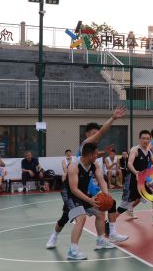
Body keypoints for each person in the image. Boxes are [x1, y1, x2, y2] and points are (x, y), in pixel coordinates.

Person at [46, 106, 128, 250]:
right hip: (71, 190)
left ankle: (105, 237)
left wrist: (106, 193)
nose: (97, 136)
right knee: (66, 217)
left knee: (105, 208)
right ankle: (54, 236)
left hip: (85, 187)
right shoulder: (85, 145)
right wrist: (113, 118)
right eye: (94, 134)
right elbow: (101, 133)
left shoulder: (91, 154)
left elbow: (97, 167)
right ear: (87, 135)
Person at [64, 142, 120, 260]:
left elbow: (102, 180)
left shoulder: (94, 165)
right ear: (89, 155)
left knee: (100, 213)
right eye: (96, 154)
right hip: (71, 196)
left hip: (84, 195)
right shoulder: (74, 166)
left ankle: (100, 240)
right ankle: (72, 250)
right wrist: (89, 200)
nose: (97, 156)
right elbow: (73, 189)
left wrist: (106, 194)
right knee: (81, 218)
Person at [116, 130, 153, 229]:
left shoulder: (149, 152)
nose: (145, 140)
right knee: (124, 206)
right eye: (143, 138)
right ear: (139, 139)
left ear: (150, 139)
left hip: (143, 181)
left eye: (147, 139)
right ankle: (109, 223)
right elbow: (129, 164)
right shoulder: (135, 150)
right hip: (132, 181)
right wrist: (136, 172)